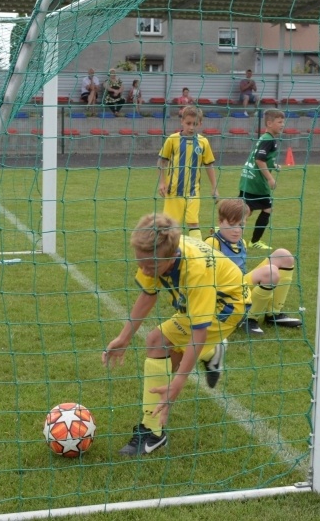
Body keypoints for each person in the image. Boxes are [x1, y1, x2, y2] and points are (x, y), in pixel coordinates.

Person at [102, 213, 246, 456]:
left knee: (160, 345)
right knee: (162, 348)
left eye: (149, 266)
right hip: (201, 300)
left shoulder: (196, 271)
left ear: (171, 257)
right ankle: (212, 352)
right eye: (139, 262)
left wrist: (178, 383)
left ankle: (153, 432)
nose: (144, 270)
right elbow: (148, 294)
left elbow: (198, 333)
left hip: (227, 305)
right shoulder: (154, 254)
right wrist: (124, 337)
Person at [206, 198, 302, 332]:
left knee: (284, 255)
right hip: (225, 294)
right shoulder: (212, 243)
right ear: (220, 222)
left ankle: (273, 313)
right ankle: (248, 318)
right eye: (232, 225)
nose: (237, 230)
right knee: (270, 272)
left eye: (241, 225)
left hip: (241, 286)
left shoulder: (241, 242)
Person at [157, 105, 218, 240]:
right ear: (182, 121)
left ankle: (198, 249)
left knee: (193, 222)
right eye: (188, 123)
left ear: (200, 123)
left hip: (193, 191)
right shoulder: (172, 139)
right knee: (170, 225)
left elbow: (209, 165)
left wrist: (214, 187)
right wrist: (162, 182)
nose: (191, 127)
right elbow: (162, 161)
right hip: (173, 191)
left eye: (195, 124)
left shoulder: (203, 142)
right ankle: (167, 249)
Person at [238, 108, 285, 250]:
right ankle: (253, 241)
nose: (282, 125)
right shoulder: (269, 140)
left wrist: (273, 165)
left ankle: (225, 229)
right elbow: (259, 159)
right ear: (269, 123)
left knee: (245, 210)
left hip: (248, 178)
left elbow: (261, 157)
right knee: (266, 208)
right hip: (257, 182)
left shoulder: (265, 137)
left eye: (283, 122)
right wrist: (270, 178)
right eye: (279, 122)